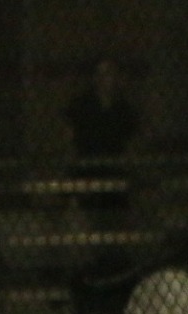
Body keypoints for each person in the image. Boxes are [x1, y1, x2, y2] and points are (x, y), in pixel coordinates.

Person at [64, 58, 141, 219]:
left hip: (114, 169)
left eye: (109, 74)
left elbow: (131, 141)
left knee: (116, 215)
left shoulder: (123, 108)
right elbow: (69, 136)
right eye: (100, 74)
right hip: (88, 167)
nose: (104, 79)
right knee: (90, 214)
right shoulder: (82, 105)